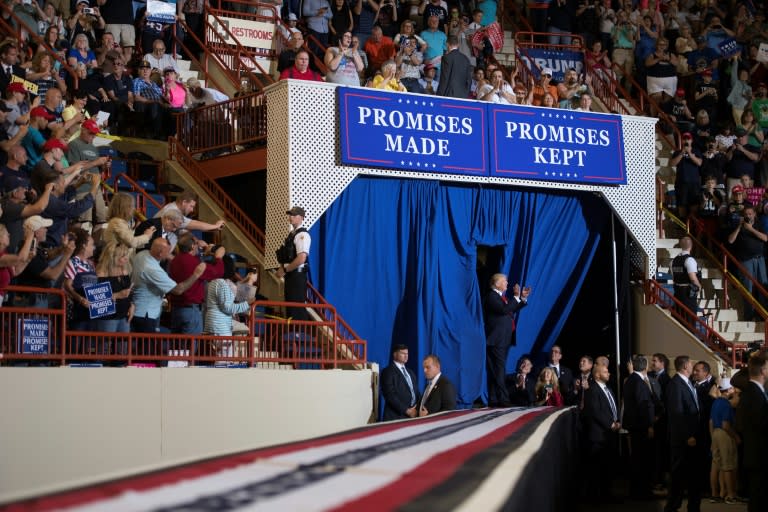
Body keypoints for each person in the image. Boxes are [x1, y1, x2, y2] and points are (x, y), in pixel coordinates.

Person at [131, 237, 206, 333]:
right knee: (147, 347)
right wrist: (196, 274)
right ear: (160, 254)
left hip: (138, 309)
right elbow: (178, 290)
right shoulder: (152, 269)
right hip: (146, 314)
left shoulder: (141, 254)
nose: (169, 255)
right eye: (168, 252)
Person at [664, 355, 705, 512]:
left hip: (694, 438)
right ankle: (672, 507)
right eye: (691, 364)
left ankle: (694, 507)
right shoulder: (675, 384)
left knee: (694, 476)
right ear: (686, 366)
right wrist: (687, 435)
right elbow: (677, 413)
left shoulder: (688, 383)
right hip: (683, 440)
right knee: (678, 477)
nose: (693, 367)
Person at [484, 273, 529, 407]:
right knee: (499, 369)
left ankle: (493, 399)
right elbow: (505, 310)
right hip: (496, 340)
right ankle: (503, 399)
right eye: (505, 281)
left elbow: (510, 309)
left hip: (502, 339)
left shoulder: (500, 297)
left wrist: (522, 299)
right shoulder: (492, 296)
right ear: (496, 283)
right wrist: (515, 297)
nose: (507, 284)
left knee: (495, 370)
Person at [169, 234, 225, 335]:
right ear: (192, 246)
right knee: (190, 347)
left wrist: (203, 254)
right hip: (191, 310)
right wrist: (219, 257)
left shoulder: (174, 261)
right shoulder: (194, 262)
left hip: (176, 310)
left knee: (176, 348)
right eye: (196, 244)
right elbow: (217, 272)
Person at [582, 362, 621, 502]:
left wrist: (617, 421)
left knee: (607, 467)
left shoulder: (608, 388)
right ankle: (594, 498)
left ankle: (606, 494)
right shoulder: (592, 390)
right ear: (597, 374)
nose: (609, 373)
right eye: (605, 372)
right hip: (598, 436)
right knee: (596, 469)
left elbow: (612, 407)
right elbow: (595, 411)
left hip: (609, 434)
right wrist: (610, 424)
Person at [735, 351, 768, 512]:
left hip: (757, 454)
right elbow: (760, 424)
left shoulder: (754, 392)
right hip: (759, 454)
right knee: (758, 499)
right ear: (762, 370)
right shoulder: (753, 393)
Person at [623, 354, 656, 499]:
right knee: (642, 460)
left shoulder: (630, 380)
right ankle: (642, 492)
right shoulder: (639, 382)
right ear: (645, 367)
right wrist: (649, 425)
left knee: (637, 459)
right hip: (640, 426)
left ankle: (637, 490)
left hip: (634, 425)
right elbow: (644, 405)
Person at [726, 206, 768, 321]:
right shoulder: (738, 226)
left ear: (754, 214)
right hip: (745, 260)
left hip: (760, 260)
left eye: (750, 214)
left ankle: (763, 315)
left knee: (762, 286)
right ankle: (749, 315)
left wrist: (751, 229)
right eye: (746, 214)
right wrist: (740, 226)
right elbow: (730, 240)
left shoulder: (759, 225)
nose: (748, 216)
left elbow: (765, 238)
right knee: (748, 287)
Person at [276, 206, 311, 320]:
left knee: (297, 309)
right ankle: (293, 335)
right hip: (291, 275)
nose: (290, 217)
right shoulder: (292, 234)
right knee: (290, 308)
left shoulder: (302, 235)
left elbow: (301, 258)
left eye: (294, 215)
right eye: (290, 214)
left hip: (297, 275)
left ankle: (300, 335)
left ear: (301, 218)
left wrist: (285, 270)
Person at [709, 379, 739, 505]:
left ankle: (716, 494)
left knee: (716, 465)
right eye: (732, 388)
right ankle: (730, 495)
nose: (734, 390)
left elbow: (710, 421)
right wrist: (736, 436)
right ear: (727, 390)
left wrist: (712, 438)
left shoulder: (716, 402)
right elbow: (726, 425)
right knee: (728, 465)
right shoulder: (726, 404)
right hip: (724, 434)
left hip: (715, 433)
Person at [153, 190, 226, 236]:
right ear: (184, 202)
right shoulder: (173, 211)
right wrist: (216, 226)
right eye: (191, 206)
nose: (192, 210)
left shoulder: (173, 206)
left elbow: (182, 231)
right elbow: (196, 225)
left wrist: (196, 240)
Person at [381, 343, 419, 420]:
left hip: (413, 415)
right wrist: (407, 411)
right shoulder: (387, 371)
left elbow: (416, 392)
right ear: (395, 354)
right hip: (396, 416)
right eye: (403, 353)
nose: (406, 356)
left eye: (407, 353)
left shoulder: (410, 372)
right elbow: (390, 395)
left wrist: (417, 408)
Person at [670, 236, 701, 322]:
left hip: (677, 293)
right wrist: (699, 287)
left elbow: (674, 278)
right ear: (691, 246)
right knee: (690, 321)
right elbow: (693, 279)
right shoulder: (689, 260)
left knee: (678, 320)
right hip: (688, 295)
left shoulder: (673, 261)